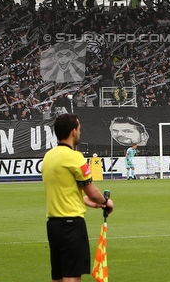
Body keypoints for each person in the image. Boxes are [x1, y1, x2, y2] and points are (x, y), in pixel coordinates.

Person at [42, 113, 113, 282]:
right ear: (73, 131)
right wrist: (105, 202)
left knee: (58, 277)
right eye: (79, 129)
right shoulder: (75, 157)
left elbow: (65, 192)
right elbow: (92, 191)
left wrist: (88, 203)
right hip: (72, 224)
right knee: (72, 277)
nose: (80, 132)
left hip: (53, 225)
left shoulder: (48, 157)